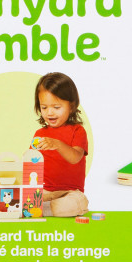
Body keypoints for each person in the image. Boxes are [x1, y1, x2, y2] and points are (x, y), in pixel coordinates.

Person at [32, 72, 89, 217]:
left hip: (69, 192)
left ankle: (43, 209)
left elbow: (75, 157)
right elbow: (32, 162)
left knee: (74, 203)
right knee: (24, 196)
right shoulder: (39, 134)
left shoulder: (78, 131)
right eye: (44, 107)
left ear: (72, 106)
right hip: (45, 191)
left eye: (56, 107)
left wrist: (57, 144)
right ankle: (43, 207)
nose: (49, 113)